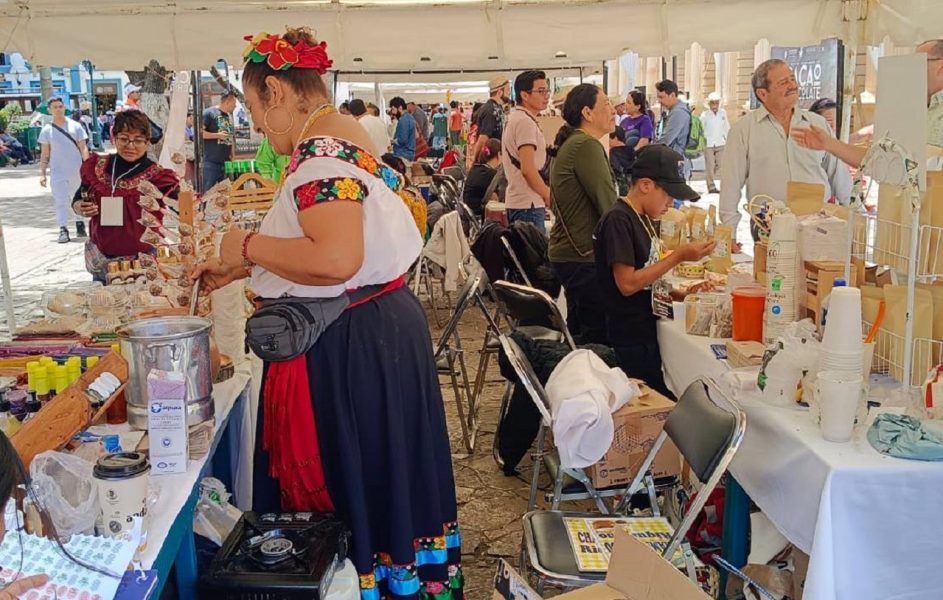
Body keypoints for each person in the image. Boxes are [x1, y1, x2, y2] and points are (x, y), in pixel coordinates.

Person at [192, 28, 461, 600]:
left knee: (353, 483)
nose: (258, 125)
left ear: (276, 92)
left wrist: (246, 245)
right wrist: (246, 267)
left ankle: (360, 584)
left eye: (254, 108)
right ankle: (394, 580)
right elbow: (340, 249)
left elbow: (337, 258)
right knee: (384, 479)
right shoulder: (345, 138)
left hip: (349, 346)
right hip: (374, 329)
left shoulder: (318, 157)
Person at [594, 145, 713, 398]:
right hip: (626, 336)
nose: (671, 204)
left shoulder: (645, 218)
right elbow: (627, 284)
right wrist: (679, 256)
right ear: (646, 185)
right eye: (668, 195)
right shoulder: (619, 219)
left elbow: (648, 278)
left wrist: (681, 295)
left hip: (644, 328)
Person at [720, 59, 852, 243]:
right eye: (783, 82)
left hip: (819, 225)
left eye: (792, 79)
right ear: (762, 93)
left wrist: (853, 218)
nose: (792, 85)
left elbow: (839, 174)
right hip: (768, 226)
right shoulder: (744, 130)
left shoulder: (817, 124)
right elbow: (731, 183)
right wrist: (729, 233)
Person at [793, 39, 943, 166]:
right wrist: (830, 144)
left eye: (917, 62)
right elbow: (880, 161)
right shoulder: (910, 109)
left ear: (940, 67)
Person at [73, 110, 179, 282]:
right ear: (114, 138)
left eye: (138, 140)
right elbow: (79, 196)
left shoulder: (158, 176)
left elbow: (184, 206)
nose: (131, 145)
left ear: (147, 142)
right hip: (103, 260)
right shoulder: (96, 166)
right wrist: (80, 206)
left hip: (145, 261)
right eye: (124, 139)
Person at [548, 84, 617, 345]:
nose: (613, 110)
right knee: (595, 340)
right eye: (606, 103)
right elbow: (608, 205)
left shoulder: (573, 143)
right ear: (587, 113)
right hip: (583, 257)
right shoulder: (585, 145)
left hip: (571, 254)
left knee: (580, 333)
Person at [503, 70, 551, 232]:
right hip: (528, 204)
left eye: (547, 91)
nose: (546, 96)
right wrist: (547, 194)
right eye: (541, 91)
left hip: (520, 201)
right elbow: (528, 169)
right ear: (524, 95)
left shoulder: (516, 118)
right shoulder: (525, 122)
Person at [39, 96, 89, 244]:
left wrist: (87, 166)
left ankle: (80, 223)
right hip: (57, 171)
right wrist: (42, 174)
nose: (58, 109)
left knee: (77, 198)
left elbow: (83, 147)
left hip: (76, 170)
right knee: (60, 200)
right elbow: (45, 154)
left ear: (64, 108)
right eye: (55, 107)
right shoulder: (47, 130)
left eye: (60, 106)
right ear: (49, 110)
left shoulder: (75, 126)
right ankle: (63, 228)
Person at [467, 77, 509, 169]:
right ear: (500, 92)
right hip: (490, 160)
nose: (509, 93)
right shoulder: (490, 110)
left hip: (496, 158)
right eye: (508, 90)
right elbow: (483, 138)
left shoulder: (497, 108)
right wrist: (474, 161)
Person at [654, 80, 692, 178]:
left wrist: (649, 150)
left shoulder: (678, 112)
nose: (659, 101)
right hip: (675, 160)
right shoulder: (676, 110)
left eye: (661, 97)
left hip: (675, 162)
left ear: (672, 95)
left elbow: (667, 139)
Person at [202, 91, 237, 190]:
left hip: (226, 164)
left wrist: (232, 153)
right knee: (208, 193)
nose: (235, 106)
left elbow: (229, 137)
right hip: (211, 163)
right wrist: (217, 135)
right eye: (234, 103)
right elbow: (199, 133)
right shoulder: (209, 113)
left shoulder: (228, 116)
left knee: (224, 194)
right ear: (228, 101)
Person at [700, 91, 730, 194]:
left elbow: (726, 127)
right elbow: (701, 129)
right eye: (712, 103)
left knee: (720, 164)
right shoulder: (705, 115)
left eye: (716, 103)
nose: (715, 105)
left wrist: (729, 139)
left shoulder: (723, 113)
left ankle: (710, 175)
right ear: (709, 104)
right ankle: (711, 186)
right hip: (708, 144)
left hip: (720, 142)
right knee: (710, 165)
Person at [463, 138, 502, 217]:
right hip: (478, 212)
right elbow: (495, 199)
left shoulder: (476, 168)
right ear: (499, 154)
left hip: (467, 212)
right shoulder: (491, 174)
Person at [389, 96, 417, 161]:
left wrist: (392, 141)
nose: (393, 112)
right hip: (409, 153)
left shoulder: (403, 120)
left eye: (393, 109)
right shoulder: (410, 117)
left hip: (402, 154)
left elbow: (402, 140)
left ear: (400, 108)